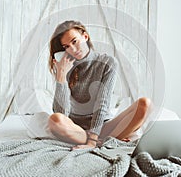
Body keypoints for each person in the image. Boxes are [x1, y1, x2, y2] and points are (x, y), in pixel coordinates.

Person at [48, 20, 151, 150]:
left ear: (85, 36)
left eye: (74, 41)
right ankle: (104, 142)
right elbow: (61, 113)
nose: (72, 49)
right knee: (55, 120)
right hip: (76, 130)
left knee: (145, 104)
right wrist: (61, 77)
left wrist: (92, 141)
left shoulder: (107, 62)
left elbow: (102, 103)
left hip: (103, 126)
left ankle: (98, 140)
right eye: (66, 47)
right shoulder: (65, 67)